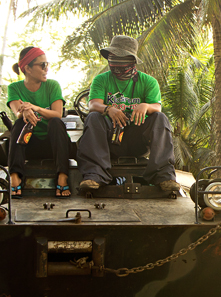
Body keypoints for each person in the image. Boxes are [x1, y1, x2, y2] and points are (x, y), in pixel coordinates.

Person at [77, 36, 180, 191]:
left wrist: (145, 106)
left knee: (160, 118)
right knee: (93, 117)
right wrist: (108, 109)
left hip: (137, 140)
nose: (116, 64)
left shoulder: (148, 82)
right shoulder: (101, 80)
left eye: (121, 59)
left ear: (132, 62)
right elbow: (93, 104)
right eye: (113, 58)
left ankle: (164, 176)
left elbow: (157, 107)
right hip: (109, 140)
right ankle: (94, 175)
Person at [7, 47, 71, 198]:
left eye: (47, 64)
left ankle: (62, 176)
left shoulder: (52, 86)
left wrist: (35, 108)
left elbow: (57, 113)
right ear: (28, 68)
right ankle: (15, 176)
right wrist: (25, 111)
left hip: (53, 144)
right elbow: (17, 112)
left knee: (55, 122)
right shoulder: (14, 88)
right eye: (42, 65)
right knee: (19, 124)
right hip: (29, 144)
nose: (46, 69)